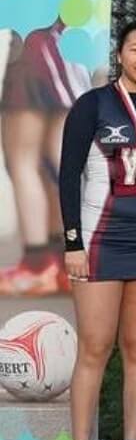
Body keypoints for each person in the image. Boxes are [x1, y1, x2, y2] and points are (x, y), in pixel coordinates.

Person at [59, 20, 136, 440]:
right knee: (95, 348)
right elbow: (66, 176)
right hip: (101, 242)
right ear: (120, 54)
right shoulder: (93, 105)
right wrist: (73, 244)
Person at [0, 19, 91, 295]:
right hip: (64, 45)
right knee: (53, 159)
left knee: (24, 159)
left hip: (37, 43)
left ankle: (38, 265)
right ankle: (59, 261)